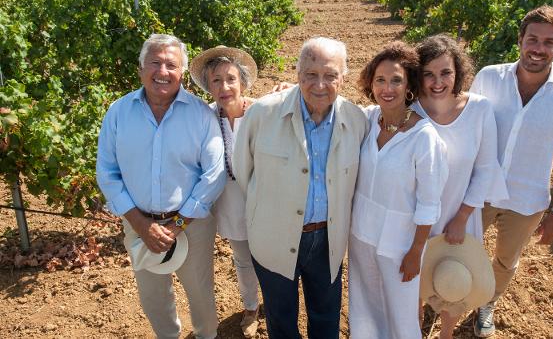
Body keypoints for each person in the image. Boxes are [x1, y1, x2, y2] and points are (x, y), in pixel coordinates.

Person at [233, 37, 368, 339]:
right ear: (297, 75)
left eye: (330, 75)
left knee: (326, 316)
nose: (320, 84)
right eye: (310, 74)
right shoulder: (263, 114)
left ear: (343, 78)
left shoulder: (357, 120)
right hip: (273, 237)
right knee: (281, 319)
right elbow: (244, 171)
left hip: (328, 241)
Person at [96, 34, 226, 339]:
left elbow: (214, 174)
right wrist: (140, 224)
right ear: (141, 68)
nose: (162, 71)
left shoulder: (200, 115)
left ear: (181, 73)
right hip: (138, 223)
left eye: (171, 64)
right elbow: (107, 171)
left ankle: (207, 336)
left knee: (200, 293)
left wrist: (179, 224)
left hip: (191, 225)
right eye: (155, 62)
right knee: (153, 296)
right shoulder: (118, 112)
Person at [470, 5, 553, 337]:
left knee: (506, 261)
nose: (538, 48)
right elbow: (469, 131)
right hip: (479, 190)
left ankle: (487, 304)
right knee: (461, 248)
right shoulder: (489, 77)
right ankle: (453, 294)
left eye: (548, 42)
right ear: (520, 39)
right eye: (532, 39)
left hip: (527, 198)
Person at [348, 41, 448, 339]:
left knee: (401, 314)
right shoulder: (367, 119)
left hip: (399, 243)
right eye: (380, 80)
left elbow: (429, 202)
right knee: (364, 306)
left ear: (409, 87)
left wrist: (416, 250)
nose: (387, 88)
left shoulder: (424, 138)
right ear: (371, 83)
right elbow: (331, 108)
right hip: (361, 234)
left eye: (396, 80)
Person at [411, 34, 507, 338]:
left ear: (458, 72)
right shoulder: (411, 108)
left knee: (454, 279)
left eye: (445, 73)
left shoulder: (479, 109)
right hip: (415, 212)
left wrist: (462, 217)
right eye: (428, 74)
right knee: (416, 279)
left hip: (457, 212)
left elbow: (486, 169)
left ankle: (446, 333)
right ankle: (414, 328)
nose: (437, 82)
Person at [189, 46, 261, 338]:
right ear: (208, 87)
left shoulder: (262, 112)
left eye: (230, 79)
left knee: (272, 257)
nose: (224, 87)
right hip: (229, 201)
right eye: (215, 81)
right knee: (243, 259)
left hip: (265, 200)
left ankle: (279, 302)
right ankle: (251, 307)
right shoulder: (204, 118)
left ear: (242, 82)